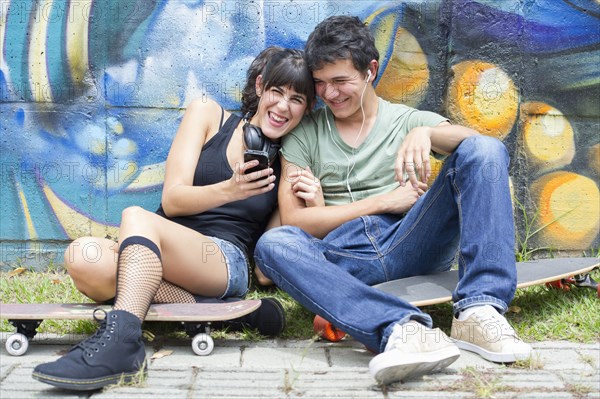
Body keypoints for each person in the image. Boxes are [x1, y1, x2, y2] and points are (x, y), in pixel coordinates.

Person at [254, 16, 533, 386]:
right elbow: (293, 221)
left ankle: (479, 310)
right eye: (320, 84)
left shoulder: (406, 120)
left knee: (483, 149)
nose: (330, 94)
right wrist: (384, 201)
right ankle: (402, 330)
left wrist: (426, 132)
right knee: (273, 244)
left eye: (340, 81)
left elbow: (484, 148)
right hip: (344, 255)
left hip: (411, 240)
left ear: (370, 71)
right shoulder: (304, 133)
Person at [32, 46, 315, 391]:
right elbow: (173, 199)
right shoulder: (208, 114)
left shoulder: (290, 159)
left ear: (306, 109)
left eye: (297, 99)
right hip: (158, 245)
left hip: (222, 261)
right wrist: (230, 189)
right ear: (259, 87)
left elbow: (265, 268)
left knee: (136, 216)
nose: (283, 106)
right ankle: (215, 310)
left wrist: (312, 200)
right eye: (277, 91)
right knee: (82, 257)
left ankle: (122, 343)